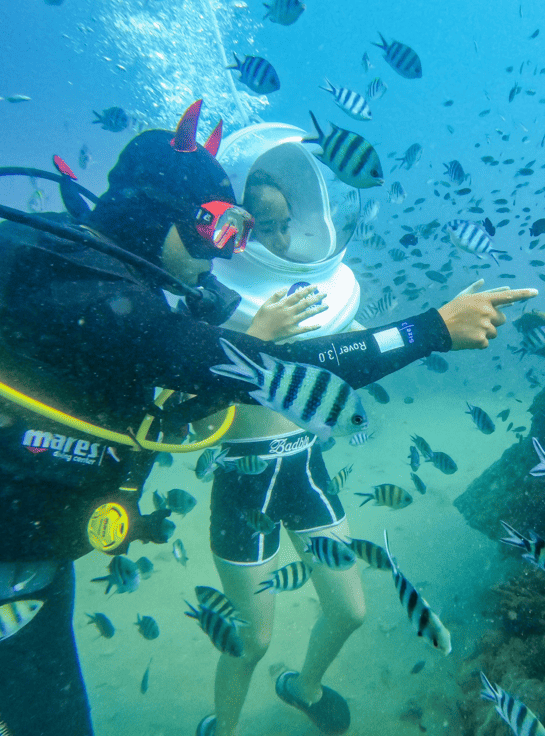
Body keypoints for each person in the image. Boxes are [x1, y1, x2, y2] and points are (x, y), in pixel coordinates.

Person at [0, 100, 536, 736]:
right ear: (153, 214)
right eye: (215, 230)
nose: (223, 254)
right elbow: (278, 377)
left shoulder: (97, 272)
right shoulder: (92, 299)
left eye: (234, 233)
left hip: (27, 567)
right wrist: (431, 329)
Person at [196, 132, 372, 736]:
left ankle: (305, 686)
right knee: (252, 640)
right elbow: (191, 418)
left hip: (306, 466)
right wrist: (257, 338)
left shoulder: (317, 292)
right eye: (257, 226)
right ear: (232, 226)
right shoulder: (207, 297)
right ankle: (222, 727)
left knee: (350, 611)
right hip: (243, 482)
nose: (271, 240)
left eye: (279, 226)